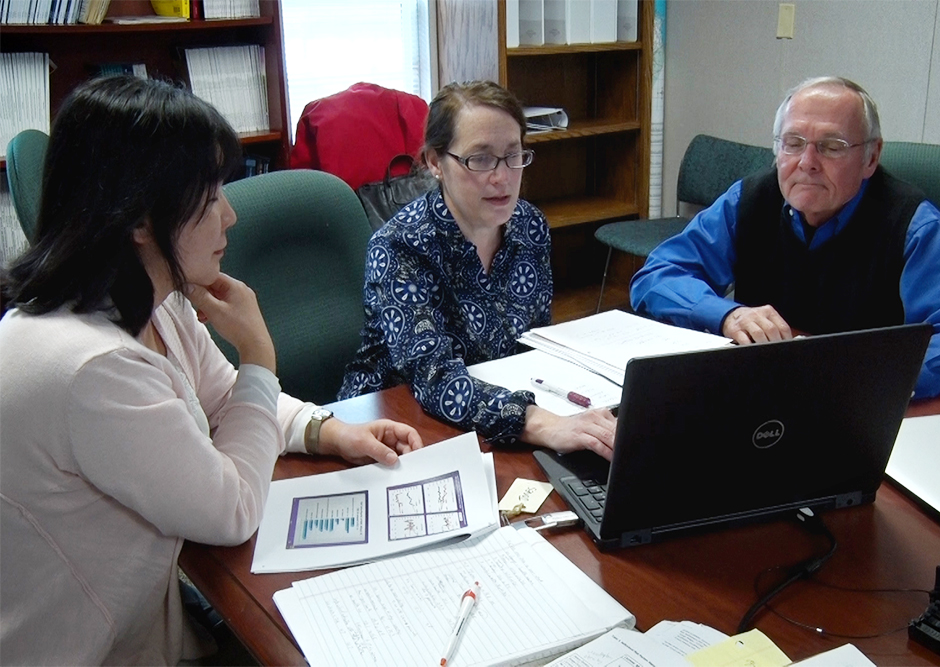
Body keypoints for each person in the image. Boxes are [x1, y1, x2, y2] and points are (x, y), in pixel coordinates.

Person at [0, 76, 422, 665]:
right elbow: (232, 508)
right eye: (209, 194)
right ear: (140, 219)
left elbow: (227, 402)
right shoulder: (90, 368)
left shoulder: (151, 299)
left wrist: (327, 431)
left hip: (152, 618)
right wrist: (258, 353)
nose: (230, 215)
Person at [631, 76, 940, 398]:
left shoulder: (912, 225)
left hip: (867, 416)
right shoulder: (750, 199)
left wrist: (870, 373)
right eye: (793, 143)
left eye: (832, 146)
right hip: (763, 399)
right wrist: (728, 314)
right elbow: (656, 277)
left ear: (871, 158)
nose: (807, 162)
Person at [338, 81, 616, 459]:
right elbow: (433, 377)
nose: (502, 177)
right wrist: (543, 423)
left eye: (513, 155)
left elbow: (534, 347)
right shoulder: (400, 245)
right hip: (396, 426)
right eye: (480, 159)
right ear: (436, 162)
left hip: (493, 417)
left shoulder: (529, 226)